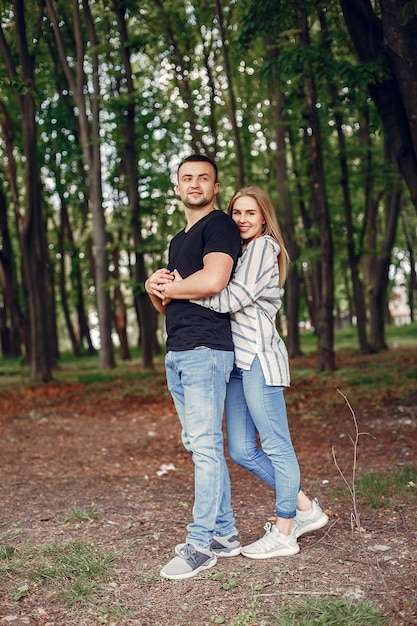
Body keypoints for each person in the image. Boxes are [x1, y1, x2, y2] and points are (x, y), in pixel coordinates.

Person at [167, 185, 328, 559]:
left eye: (250, 213)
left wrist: (178, 289)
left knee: (275, 445)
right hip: (238, 363)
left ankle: (285, 530)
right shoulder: (240, 252)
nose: (241, 220)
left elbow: (230, 298)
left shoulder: (262, 248)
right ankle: (305, 508)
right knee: (241, 449)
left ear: (264, 218)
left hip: (259, 358)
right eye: (236, 213)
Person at [145, 154, 242, 580]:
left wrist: (173, 286)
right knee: (199, 445)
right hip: (179, 349)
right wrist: (155, 287)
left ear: (215, 187)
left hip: (207, 347)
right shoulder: (176, 239)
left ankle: (200, 545)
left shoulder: (219, 225)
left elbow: (213, 280)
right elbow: (169, 301)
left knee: (204, 447)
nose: (195, 184)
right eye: (188, 178)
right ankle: (226, 533)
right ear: (177, 186)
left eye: (204, 178)